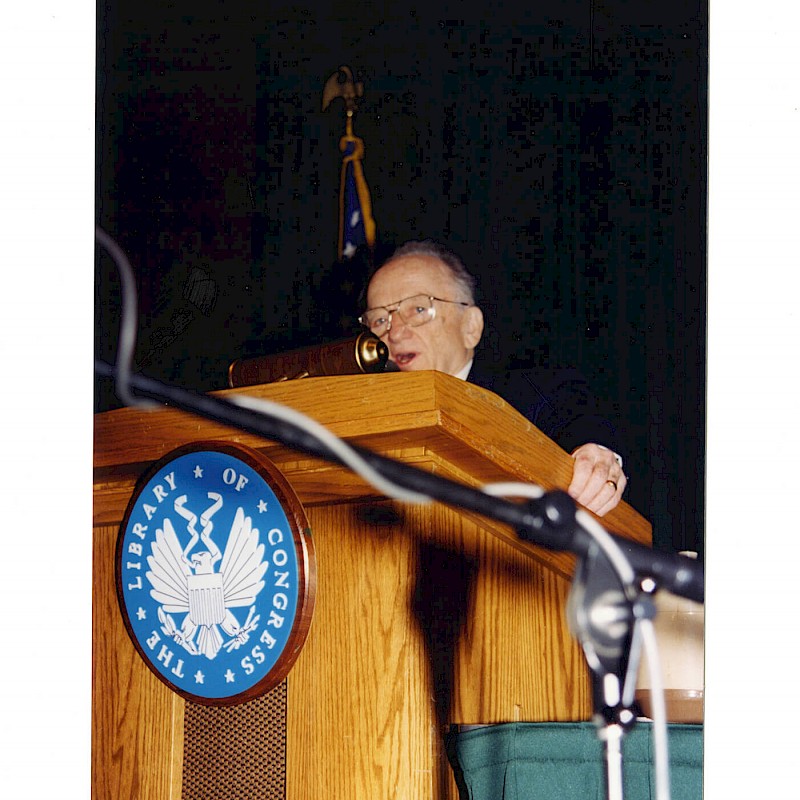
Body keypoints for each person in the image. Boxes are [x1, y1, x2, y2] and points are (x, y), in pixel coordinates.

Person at [359, 239, 627, 517]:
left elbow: (578, 421)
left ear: (471, 327)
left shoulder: (532, 394)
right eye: (379, 320)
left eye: (417, 309)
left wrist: (596, 457)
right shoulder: (362, 419)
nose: (395, 333)